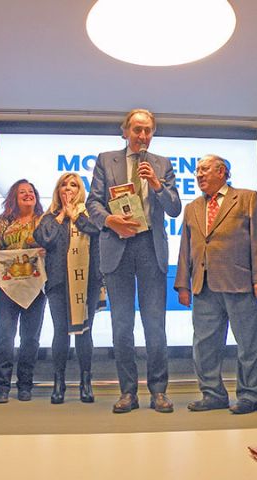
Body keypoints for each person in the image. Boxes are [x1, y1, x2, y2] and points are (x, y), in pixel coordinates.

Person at [86, 108, 182, 413]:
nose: (142, 136)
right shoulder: (106, 159)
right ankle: (127, 391)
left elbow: (175, 208)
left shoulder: (162, 165)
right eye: (137, 130)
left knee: (155, 324)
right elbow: (92, 203)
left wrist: (156, 184)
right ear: (125, 131)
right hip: (118, 246)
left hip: (150, 247)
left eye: (148, 131)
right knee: (121, 324)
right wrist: (111, 221)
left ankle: (159, 391)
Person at [174, 155, 257, 414]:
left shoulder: (247, 198)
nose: (199, 175)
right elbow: (186, 247)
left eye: (204, 169)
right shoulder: (192, 207)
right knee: (204, 345)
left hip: (240, 282)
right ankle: (213, 394)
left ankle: (249, 396)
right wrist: (183, 284)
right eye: (197, 171)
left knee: (249, 343)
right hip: (203, 286)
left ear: (222, 172)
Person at [34, 173, 102, 404]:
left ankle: (85, 382)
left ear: (81, 190)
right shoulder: (50, 217)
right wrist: (63, 214)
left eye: (74, 185)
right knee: (60, 331)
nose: (68, 188)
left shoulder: (91, 213)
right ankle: (59, 382)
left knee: (85, 331)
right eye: (64, 185)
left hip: (88, 283)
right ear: (58, 190)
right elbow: (44, 238)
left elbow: (98, 230)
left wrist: (76, 217)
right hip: (57, 281)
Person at [0, 179, 47, 404]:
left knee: (30, 338)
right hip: (6, 287)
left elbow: (54, 242)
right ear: (14, 197)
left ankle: (25, 385)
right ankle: (1, 386)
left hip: (35, 287)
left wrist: (45, 248)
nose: (28, 194)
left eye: (31, 191)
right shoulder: (4, 221)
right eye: (22, 192)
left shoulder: (44, 220)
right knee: (4, 336)